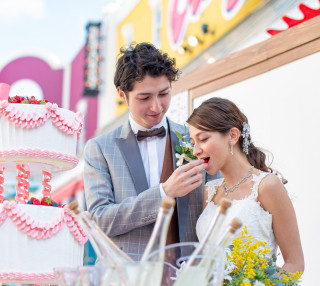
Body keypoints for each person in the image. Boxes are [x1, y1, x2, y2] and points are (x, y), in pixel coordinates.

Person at [83, 42, 220, 261]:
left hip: (188, 277)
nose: (156, 107)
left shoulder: (196, 139)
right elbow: (101, 221)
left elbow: (219, 203)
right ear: (122, 94)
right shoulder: (100, 149)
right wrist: (164, 192)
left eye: (164, 94)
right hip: (126, 281)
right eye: (144, 98)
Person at [187, 97, 304, 273]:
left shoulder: (267, 186)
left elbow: (295, 264)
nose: (196, 151)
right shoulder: (209, 191)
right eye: (193, 142)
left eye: (203, 139)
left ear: (233, 136)